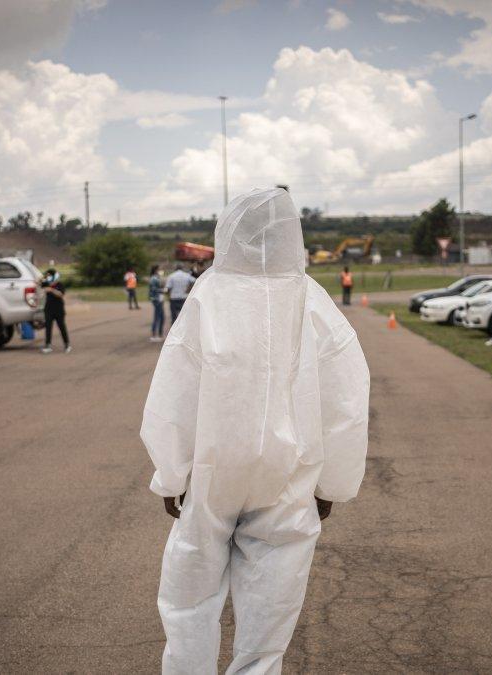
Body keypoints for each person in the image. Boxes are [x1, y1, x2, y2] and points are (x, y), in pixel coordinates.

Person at [141, 187, 370, 673]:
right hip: (288, 474)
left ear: (229, 233)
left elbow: (176, 388)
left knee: (189, 598)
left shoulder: (209, 295)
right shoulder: (314, 300)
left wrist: (171, 473)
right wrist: (333, 485)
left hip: (213, 468)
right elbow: (346, 397)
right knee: (272, 607)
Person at [38, 268, 71, 354]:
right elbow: (37, 283)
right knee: (48, 328)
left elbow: (61, 294)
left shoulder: (59, 284)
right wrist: (43, 277)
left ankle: (67, 344)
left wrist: (52, 290)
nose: (48, 278)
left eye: (49, 276)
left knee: (62, 327)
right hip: (48, 309)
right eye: (47, 276)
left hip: (59, 309)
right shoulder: (46, 284)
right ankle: (48, 345)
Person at [149, 265, 165, 342]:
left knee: (161, 317)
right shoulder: (153, 279)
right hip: (157, 299)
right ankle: (154, 335)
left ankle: (159, 334)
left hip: (159, 299)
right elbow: (154, 289)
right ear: (156, 270)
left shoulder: (156, 278)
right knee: (158, 317)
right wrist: (163, 290)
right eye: (159, 269)